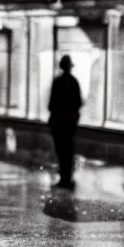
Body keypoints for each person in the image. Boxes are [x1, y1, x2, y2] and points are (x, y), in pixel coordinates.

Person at [48, 54, 83, 190]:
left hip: (58, 123)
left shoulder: (57, 82)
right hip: (69, 123)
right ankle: (67, 177)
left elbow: (51, 104)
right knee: (68, 150)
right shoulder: (74, 82)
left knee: (60, 149)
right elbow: (79, 102)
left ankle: (64, 177)